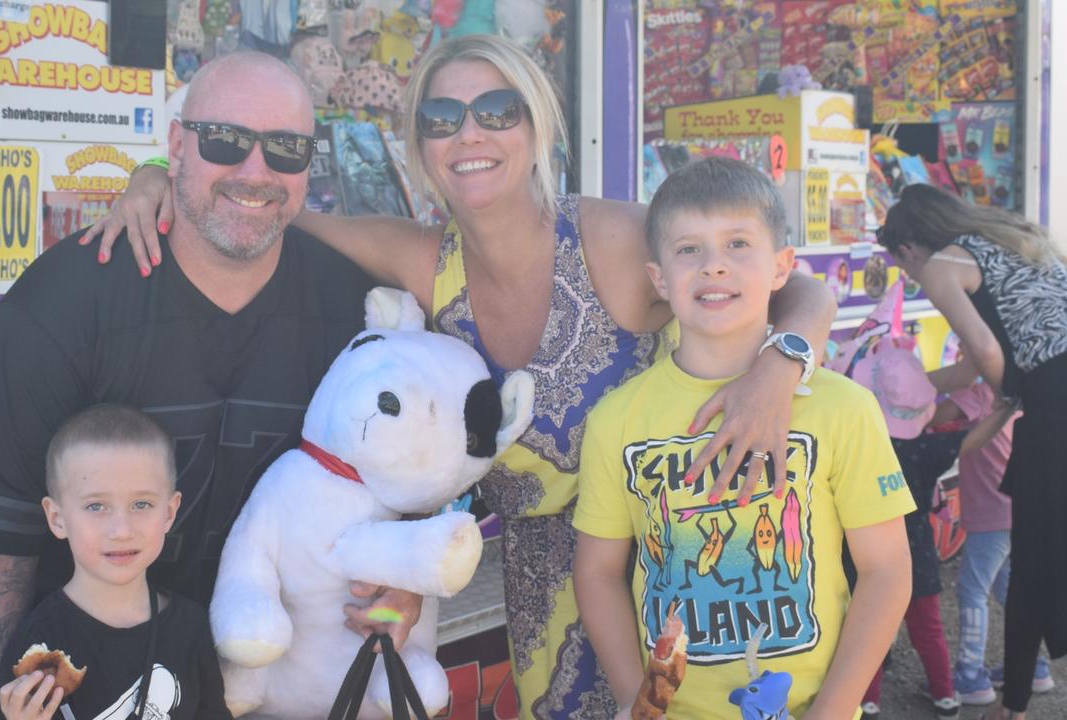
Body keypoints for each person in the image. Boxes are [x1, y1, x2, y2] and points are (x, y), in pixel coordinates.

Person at [88, 35, 839, 716]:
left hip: (681, 567)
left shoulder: (610, 240)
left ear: (537, 124)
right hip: (548, 595)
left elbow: (793, 286)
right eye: (443, 118)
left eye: (496, 110)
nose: (470, 133)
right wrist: (157, 170)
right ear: (419, 145)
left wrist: (781, 366)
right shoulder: (425, 264)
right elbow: (269, 207)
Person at [0, 52, 413, 720]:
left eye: (286, 149)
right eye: (224, 141)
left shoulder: (353, 306)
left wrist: (396, 599)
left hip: (296, 681)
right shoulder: (62, 304)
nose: (255, 170)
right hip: (102, 690)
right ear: (177, 146)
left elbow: (408, 484)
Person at [572, 157, 914, 719]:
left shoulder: (845, 409)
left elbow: (887, 571)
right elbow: (598, 572)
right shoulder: (617, 420)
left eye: (737, 245)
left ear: (782, 266)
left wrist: (832, 710)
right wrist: (641, 704)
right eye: (688, 249)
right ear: (659, 278)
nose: (714, 267)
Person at [877, 183, 1067, 720]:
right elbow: (968, 368)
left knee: (1035, 556)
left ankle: (1013, 707)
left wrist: (1014, 395)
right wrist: (888, 386)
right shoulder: (1012, 240)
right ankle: (1015, 702)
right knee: (1037, 551)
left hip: (1053, 397)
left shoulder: (941, 265)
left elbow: (984, 353)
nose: (914, 279)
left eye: (904, 268)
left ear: (909, 249)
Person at [0, 404, 233, 720]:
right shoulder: (38, 640)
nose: (122, 530)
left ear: (169, 512)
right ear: (57, 518)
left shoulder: (190, 627)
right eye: (96, 506)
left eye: (141, 504)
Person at [843, 338, 961, 719]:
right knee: (929, 631)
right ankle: (946, 696)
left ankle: (869, 700)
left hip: (865, 559)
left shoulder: (860, 445)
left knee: (868, 628)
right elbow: (969, 440)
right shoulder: (926, 449)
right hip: (918, 560)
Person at [928, 368, 1055, 705]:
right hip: (1019, 507)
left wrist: (950, 381)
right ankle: (1034, 668)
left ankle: (970, 676)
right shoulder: (1021, 398)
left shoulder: (980, 395)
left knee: (972, 589)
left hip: (991, 515)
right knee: (1009, 587)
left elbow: (933, 416)